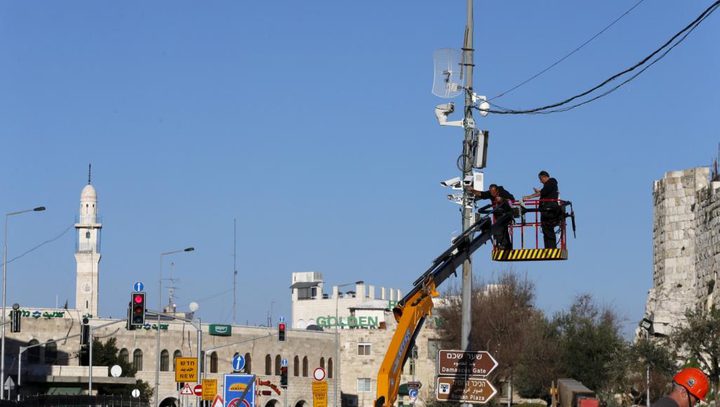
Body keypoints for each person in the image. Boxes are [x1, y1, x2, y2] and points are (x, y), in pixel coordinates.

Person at [468, 184, 515, 250]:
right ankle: (506, 245)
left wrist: (502, 199)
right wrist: (472, 190)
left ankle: (504, 245)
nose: (492, 194)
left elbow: (512, 200)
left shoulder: (503, 192)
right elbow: (482, 194)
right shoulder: (491, 193)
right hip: (499, 214)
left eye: (493, 192)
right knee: (499, 228)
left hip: (507, 213)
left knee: (500, 227)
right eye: (491, 193)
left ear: (497, 190)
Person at [523, 170, 561, 249]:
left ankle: (551, 248)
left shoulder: (551, 182)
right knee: (545, 229)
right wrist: (540, 191)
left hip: (549, 210)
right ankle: (548, 247)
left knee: (548, 228)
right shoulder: (550, 185)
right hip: (546, 210)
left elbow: (543, 192)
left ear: (544, 177)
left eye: (540, 179)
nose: (540, 181)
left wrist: (528, 197)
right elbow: (545, 192)